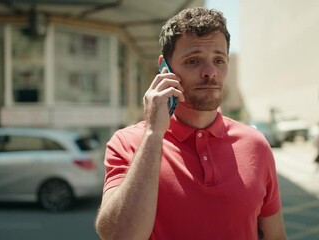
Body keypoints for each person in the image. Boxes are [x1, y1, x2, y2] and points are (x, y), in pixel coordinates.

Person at [95, 7, 286, 240]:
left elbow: (275, 236)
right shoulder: (128, 143)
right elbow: (119, 237)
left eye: (219, 60)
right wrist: (154, 134)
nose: (210, 72)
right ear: (165, 68)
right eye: (193, 61)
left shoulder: (256, 144)